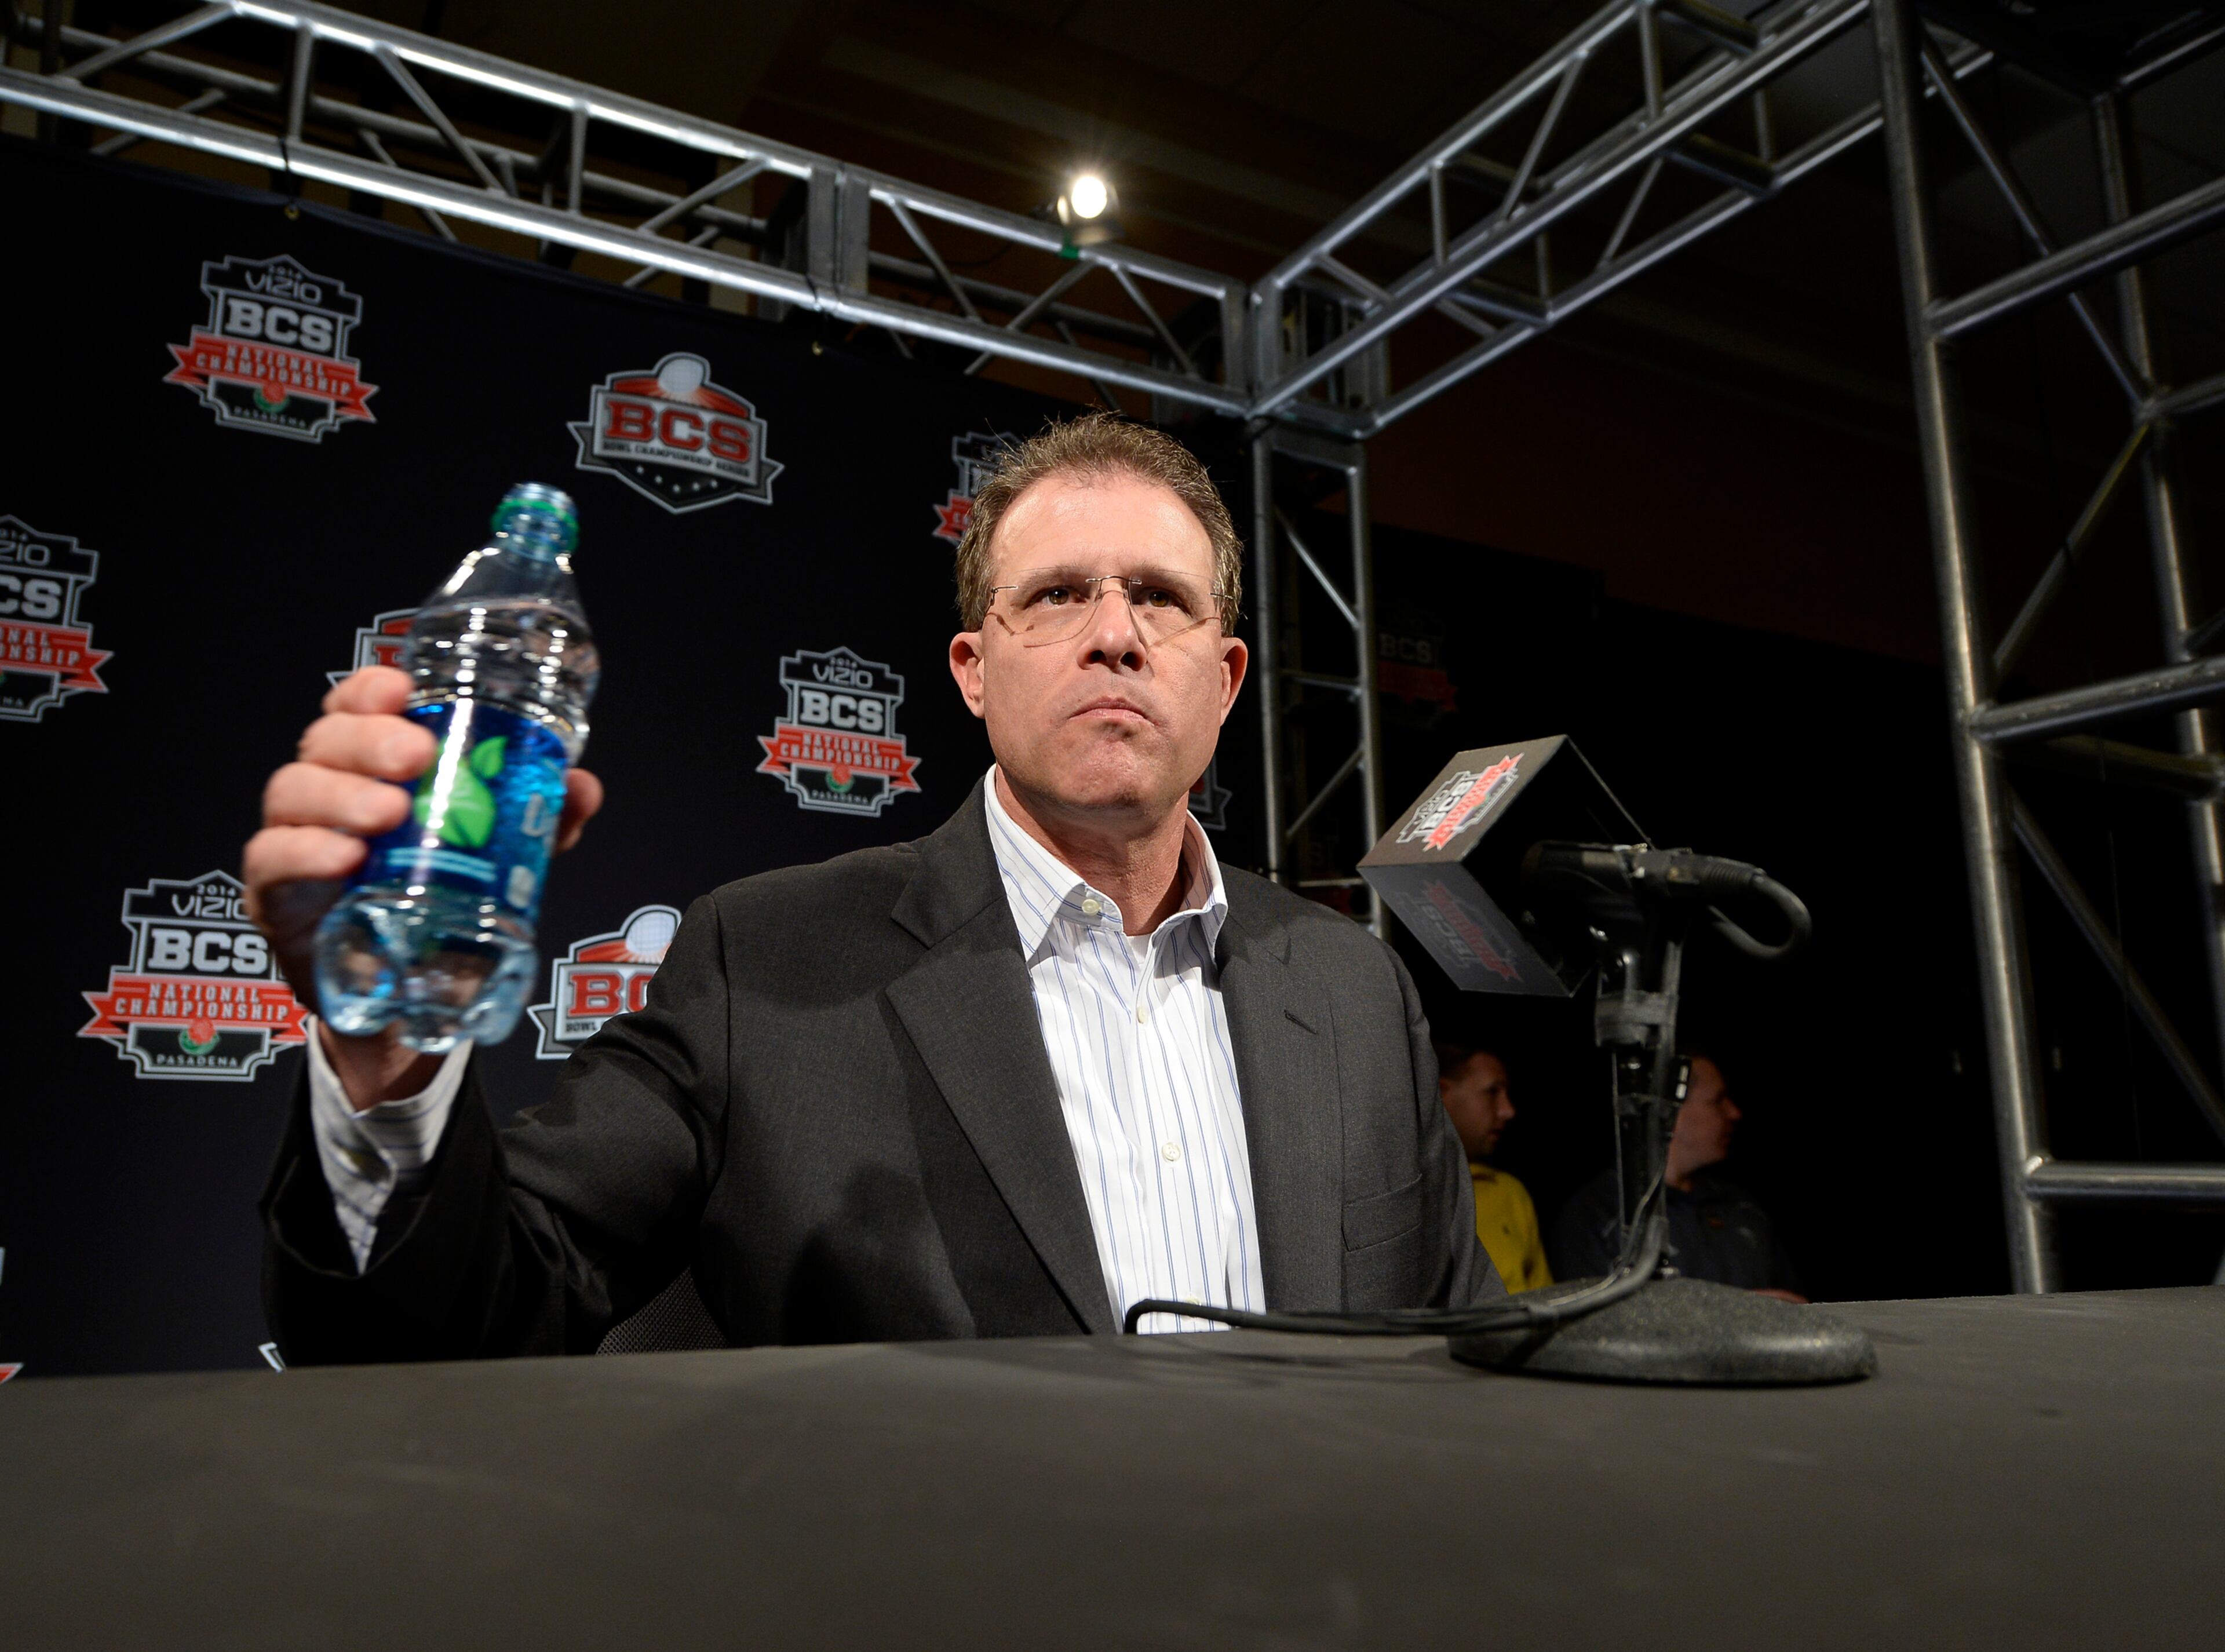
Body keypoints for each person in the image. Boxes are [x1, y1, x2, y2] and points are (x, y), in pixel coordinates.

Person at [246, 413, 1498, 1362]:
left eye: (1158, 599)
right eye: (1058, 595)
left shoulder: (1352, 990)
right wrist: (385, 1055)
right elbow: (474, 1312)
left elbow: (1466, 1357)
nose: (1114, 632)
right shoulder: (765, 961)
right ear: (972, 668)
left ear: (1224, 679)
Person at [1548, 1053, 1804, 1301]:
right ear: (1670, 1111)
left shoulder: (1742, 1209)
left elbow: (1792, 1303)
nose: (1734, 1113)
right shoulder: (1600, 1215)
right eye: (1718, 1100)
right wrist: (1732, 1314)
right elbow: (1595, 1330)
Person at [1434, 1044, 1551, 1292]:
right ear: (1443, 1095)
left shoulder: (1509, 1193)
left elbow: (1545, 1303)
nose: (1507, 1110)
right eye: (1492, 1092)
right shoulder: (1413, 1190)